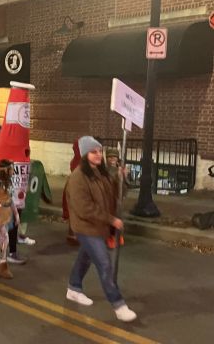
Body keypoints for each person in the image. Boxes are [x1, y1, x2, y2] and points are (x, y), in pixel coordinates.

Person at [65, 136, 136, 322]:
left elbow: (113, 195)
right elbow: (84, 208)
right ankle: (118, 305)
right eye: (93, 152)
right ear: (84, 154)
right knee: (104, 264)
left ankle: (73, 287)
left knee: (85, 257)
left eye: (99, 151)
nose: (98, 155)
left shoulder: (101, 173)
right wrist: (111, 220)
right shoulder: (78, 177)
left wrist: (121, 178)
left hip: (99, 227)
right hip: (86, 227)